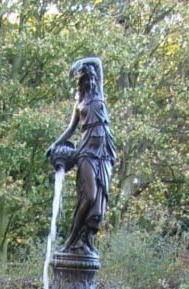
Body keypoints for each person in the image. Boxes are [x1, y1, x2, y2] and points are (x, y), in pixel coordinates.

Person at [47, 56, 116, 259]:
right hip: (86, 150)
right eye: (88, 78)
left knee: (98, 206)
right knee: (89, 195)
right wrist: (54, 145)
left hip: (104, 152)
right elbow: (71, 129)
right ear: (82, 82)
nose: (92, 81)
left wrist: (80, 63)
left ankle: (85, 241)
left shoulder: (100, 94)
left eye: (94, 78)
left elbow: (98, 62)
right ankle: (71, 240)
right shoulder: (79, 104)